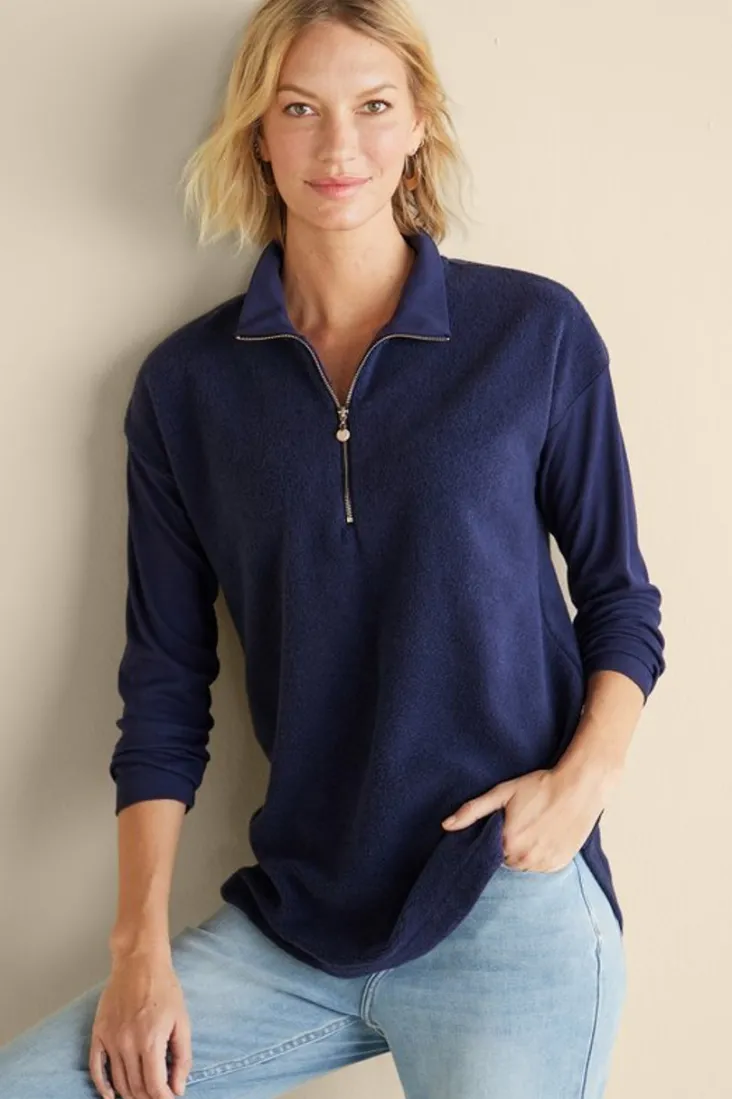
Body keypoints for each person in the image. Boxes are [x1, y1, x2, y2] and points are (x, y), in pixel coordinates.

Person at [0, 0, 666, 1096]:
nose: (339, 145)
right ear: (258, 134)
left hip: (503, 894)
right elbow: (164, 684)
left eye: (374, 106)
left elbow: (620, 597)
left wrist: (580, 785)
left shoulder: (533, 334)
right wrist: (139, 950)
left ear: (418, 124)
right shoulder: (186, 390)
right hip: (301, 918)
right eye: (300, 109)